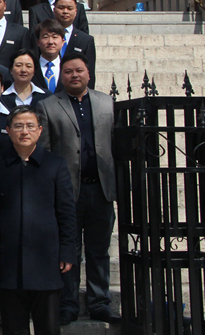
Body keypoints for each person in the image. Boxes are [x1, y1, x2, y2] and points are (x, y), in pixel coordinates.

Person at [36, 53, 120, 326]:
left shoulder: (107, 102)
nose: (75, 75)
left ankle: (100, 303)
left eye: (79, 71)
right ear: (61, 75)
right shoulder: (48, 105)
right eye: (69, 71)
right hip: (68, 192)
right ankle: (68, 304)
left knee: (99, 250)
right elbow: (45, 151)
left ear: (89, 74)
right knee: (69, 252)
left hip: (100, 190)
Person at [0, 106, 75, 335]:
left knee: (48, 328)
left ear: (40, 130)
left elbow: (66, 213)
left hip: (47, 260)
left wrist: (67, 251)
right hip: (8, 260)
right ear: (8, 130)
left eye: (30, 126)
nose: (24, 131)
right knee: (14, 329)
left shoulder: (56, 164)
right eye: (18, 126)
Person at [52, 0, 96, 87]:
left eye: (69, 8)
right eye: (61, 7)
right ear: (54, 10)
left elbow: (90, 73)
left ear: (76, 12)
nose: (65, 11)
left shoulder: (86, 40)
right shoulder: (45, 38)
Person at [31, 20, 65, 95]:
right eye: (45, 37)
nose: (50, 42)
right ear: (38, 42)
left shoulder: (68, 68)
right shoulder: (31, 67)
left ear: (62, 42)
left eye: (54, 37)